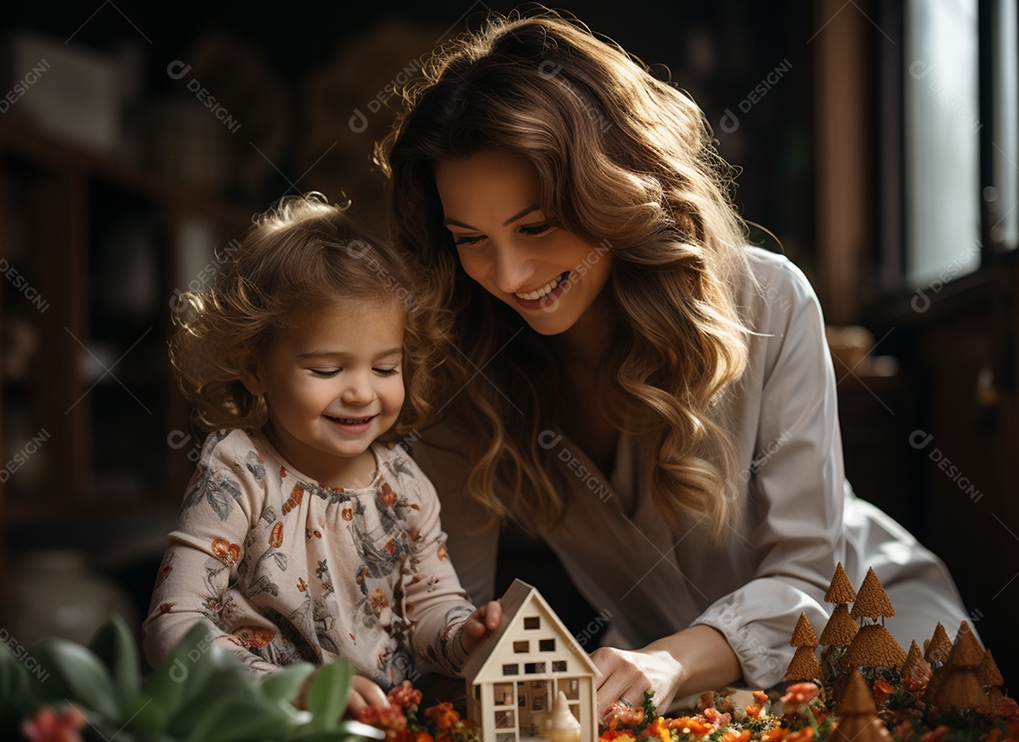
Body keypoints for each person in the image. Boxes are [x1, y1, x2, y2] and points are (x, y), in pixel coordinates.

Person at [375, 11, 972, 712]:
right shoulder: (465, 366)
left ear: (613, 190)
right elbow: (448, 610)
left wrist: (668, 663)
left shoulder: (770, 300)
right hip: (678, 693)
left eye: (535, 227)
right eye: (471, 239)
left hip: (878, 641)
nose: (508, 275)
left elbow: (808, 579)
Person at [142, 195, 501, 714]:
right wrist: (289, 690)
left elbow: (430, 610)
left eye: (384, 368)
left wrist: (465, 634)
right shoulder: (238, 469)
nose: (361, 393)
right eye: (328, 370)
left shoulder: (405, 483)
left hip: (381, 723)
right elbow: (171, 625)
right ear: (255, 368)